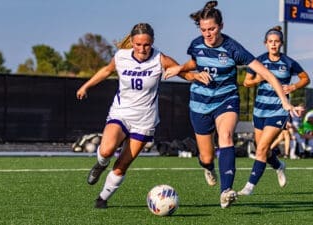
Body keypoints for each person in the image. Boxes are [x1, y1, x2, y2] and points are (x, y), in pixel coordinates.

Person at [164, 1, 300, 208]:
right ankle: (208, 167)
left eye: (212, 29)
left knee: (226, 136)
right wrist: (181, 69)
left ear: (221, 26)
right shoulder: (196, 44)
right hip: (200, 103)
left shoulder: (233, 49)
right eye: (203, 30)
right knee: (206, 157)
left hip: (226, 99)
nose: (208, 34)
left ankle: (226, 191)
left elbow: (267, 74)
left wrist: (284, 101)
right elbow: (195, 62)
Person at [76, 23, 189, 209]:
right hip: (121, 113)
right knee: (106, 150)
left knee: (122, 164)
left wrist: (197, 76)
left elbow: (183, 72)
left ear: (152, 43)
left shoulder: (160, 59)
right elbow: (107, 70)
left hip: (145, 121)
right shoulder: (121, 56)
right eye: (138, 44)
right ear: (132, 42)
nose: (142, 48)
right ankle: (100, 164)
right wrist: (86, 86)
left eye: (146, 45)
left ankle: (102, 199)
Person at [238, 25, 310, 196]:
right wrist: (259, 78)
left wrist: (293, 86)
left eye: (276, 42)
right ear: (265, 44)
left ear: (281, 44)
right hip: (260, 110)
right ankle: (278, 166)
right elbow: (246, 82)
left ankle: (249, 187)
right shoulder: (259, 61)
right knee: (261, 148)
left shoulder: (289, 62)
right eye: (270, 42)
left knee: (262, 148)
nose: (273, 45)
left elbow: (305, 78)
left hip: (278, 111)